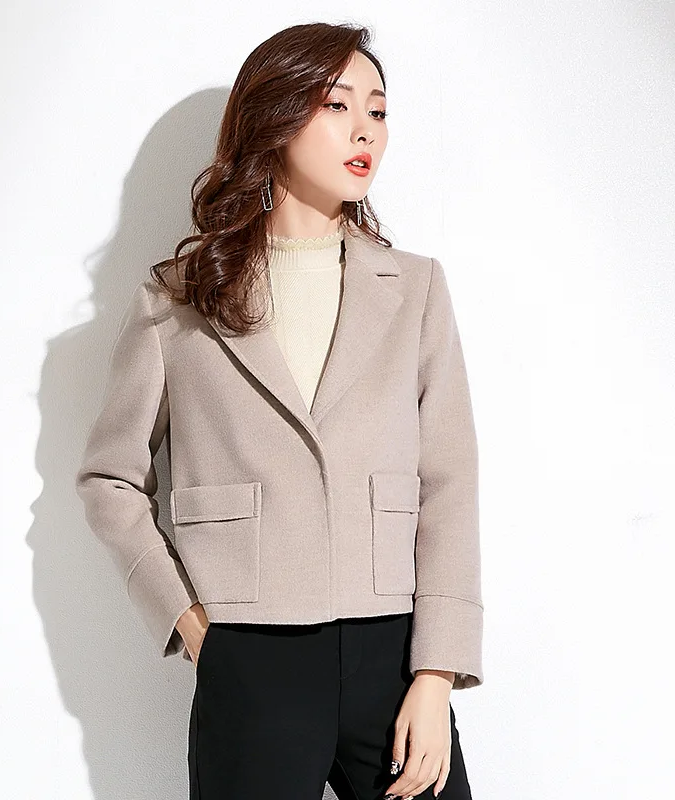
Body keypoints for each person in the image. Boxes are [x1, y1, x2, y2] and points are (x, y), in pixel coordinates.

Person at [76, 21, 484, 800]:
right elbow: (110, 479)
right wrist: (191, 624)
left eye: (378, 110)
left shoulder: (416, 290)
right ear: (275, 116)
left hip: (394, 655)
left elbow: (450, 481)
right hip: (250, 655)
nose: (366, 130)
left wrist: (437, 676)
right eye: (337, 105)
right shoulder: (178, 300)